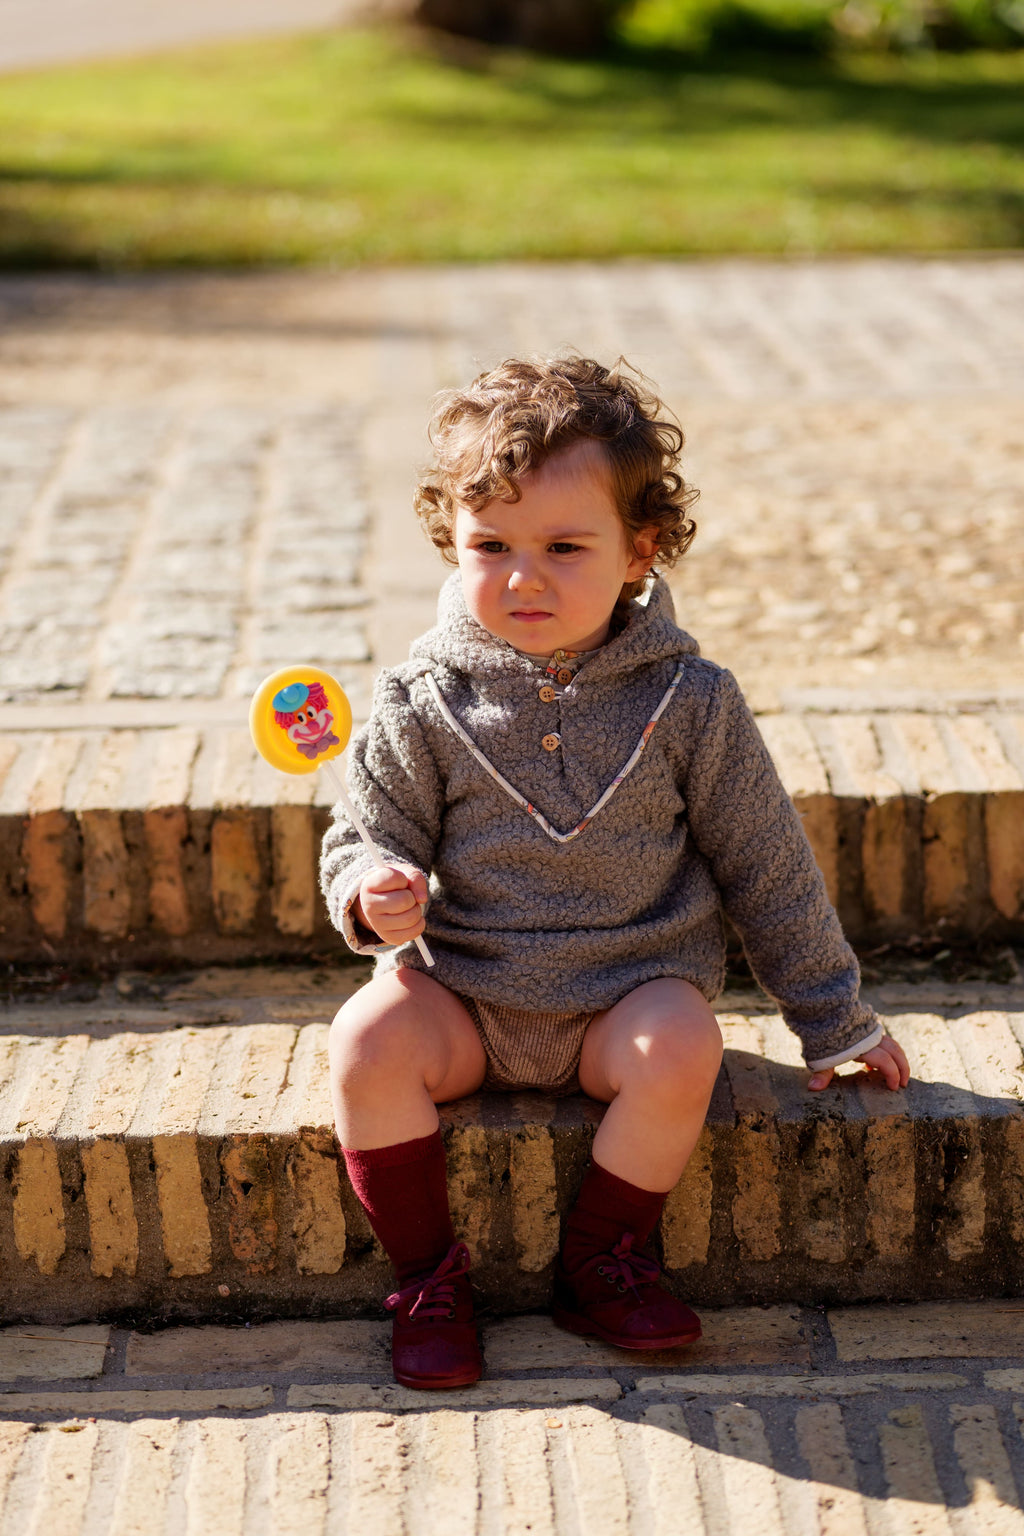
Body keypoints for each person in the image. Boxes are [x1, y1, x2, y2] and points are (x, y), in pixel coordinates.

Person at [320, 355, 910, 1391]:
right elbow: (363, 834)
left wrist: (833, 1016)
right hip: (465, 996)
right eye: (488, 546)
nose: (522, 576)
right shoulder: (421, 697)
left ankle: (602, 1260)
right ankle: (426, 1280)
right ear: (450, 544)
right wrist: (374, 888)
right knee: (365, 1038)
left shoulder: (689, 698)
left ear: (640, 550)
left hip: (620, 1002)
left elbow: (764, 863)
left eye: (563, 546)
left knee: (684, 1043)